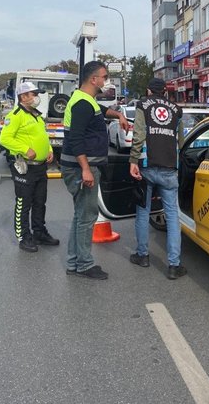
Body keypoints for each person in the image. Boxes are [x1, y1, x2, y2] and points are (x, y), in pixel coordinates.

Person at [60, 61, 129, 280]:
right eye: (104, 76)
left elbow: (101, 110)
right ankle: (84, 265)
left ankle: (74, 261)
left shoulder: (85, 100)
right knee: (86, 217)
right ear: (93, 79)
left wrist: (118, 115)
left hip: (81, 166)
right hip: (81, 168)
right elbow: (76, 138)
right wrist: (86, 169)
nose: (106, 80)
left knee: (81, 215)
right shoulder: (82, 104)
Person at [128, 78, 187, 279]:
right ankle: (173, 265)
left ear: (148, 90)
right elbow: (181, 141)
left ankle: (142, 255)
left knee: (143, 212)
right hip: (170, 167)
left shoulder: (143, 105)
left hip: (147, 166)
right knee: (172, 215)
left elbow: (139, 134)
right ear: (165, 91)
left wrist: (133, 160)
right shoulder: (176, 109)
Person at [0, 82, 58, 252]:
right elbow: (5, 139)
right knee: (23, 202)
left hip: (40, 166)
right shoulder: (16, 115)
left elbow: (43, 136)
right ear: (23, 97)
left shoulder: (36, 115)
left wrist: (49, 149)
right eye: (33, 94)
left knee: (40, 201)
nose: (36, 97)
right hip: (25, 166)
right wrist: (25, 149)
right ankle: (24, 236)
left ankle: (39, 232)